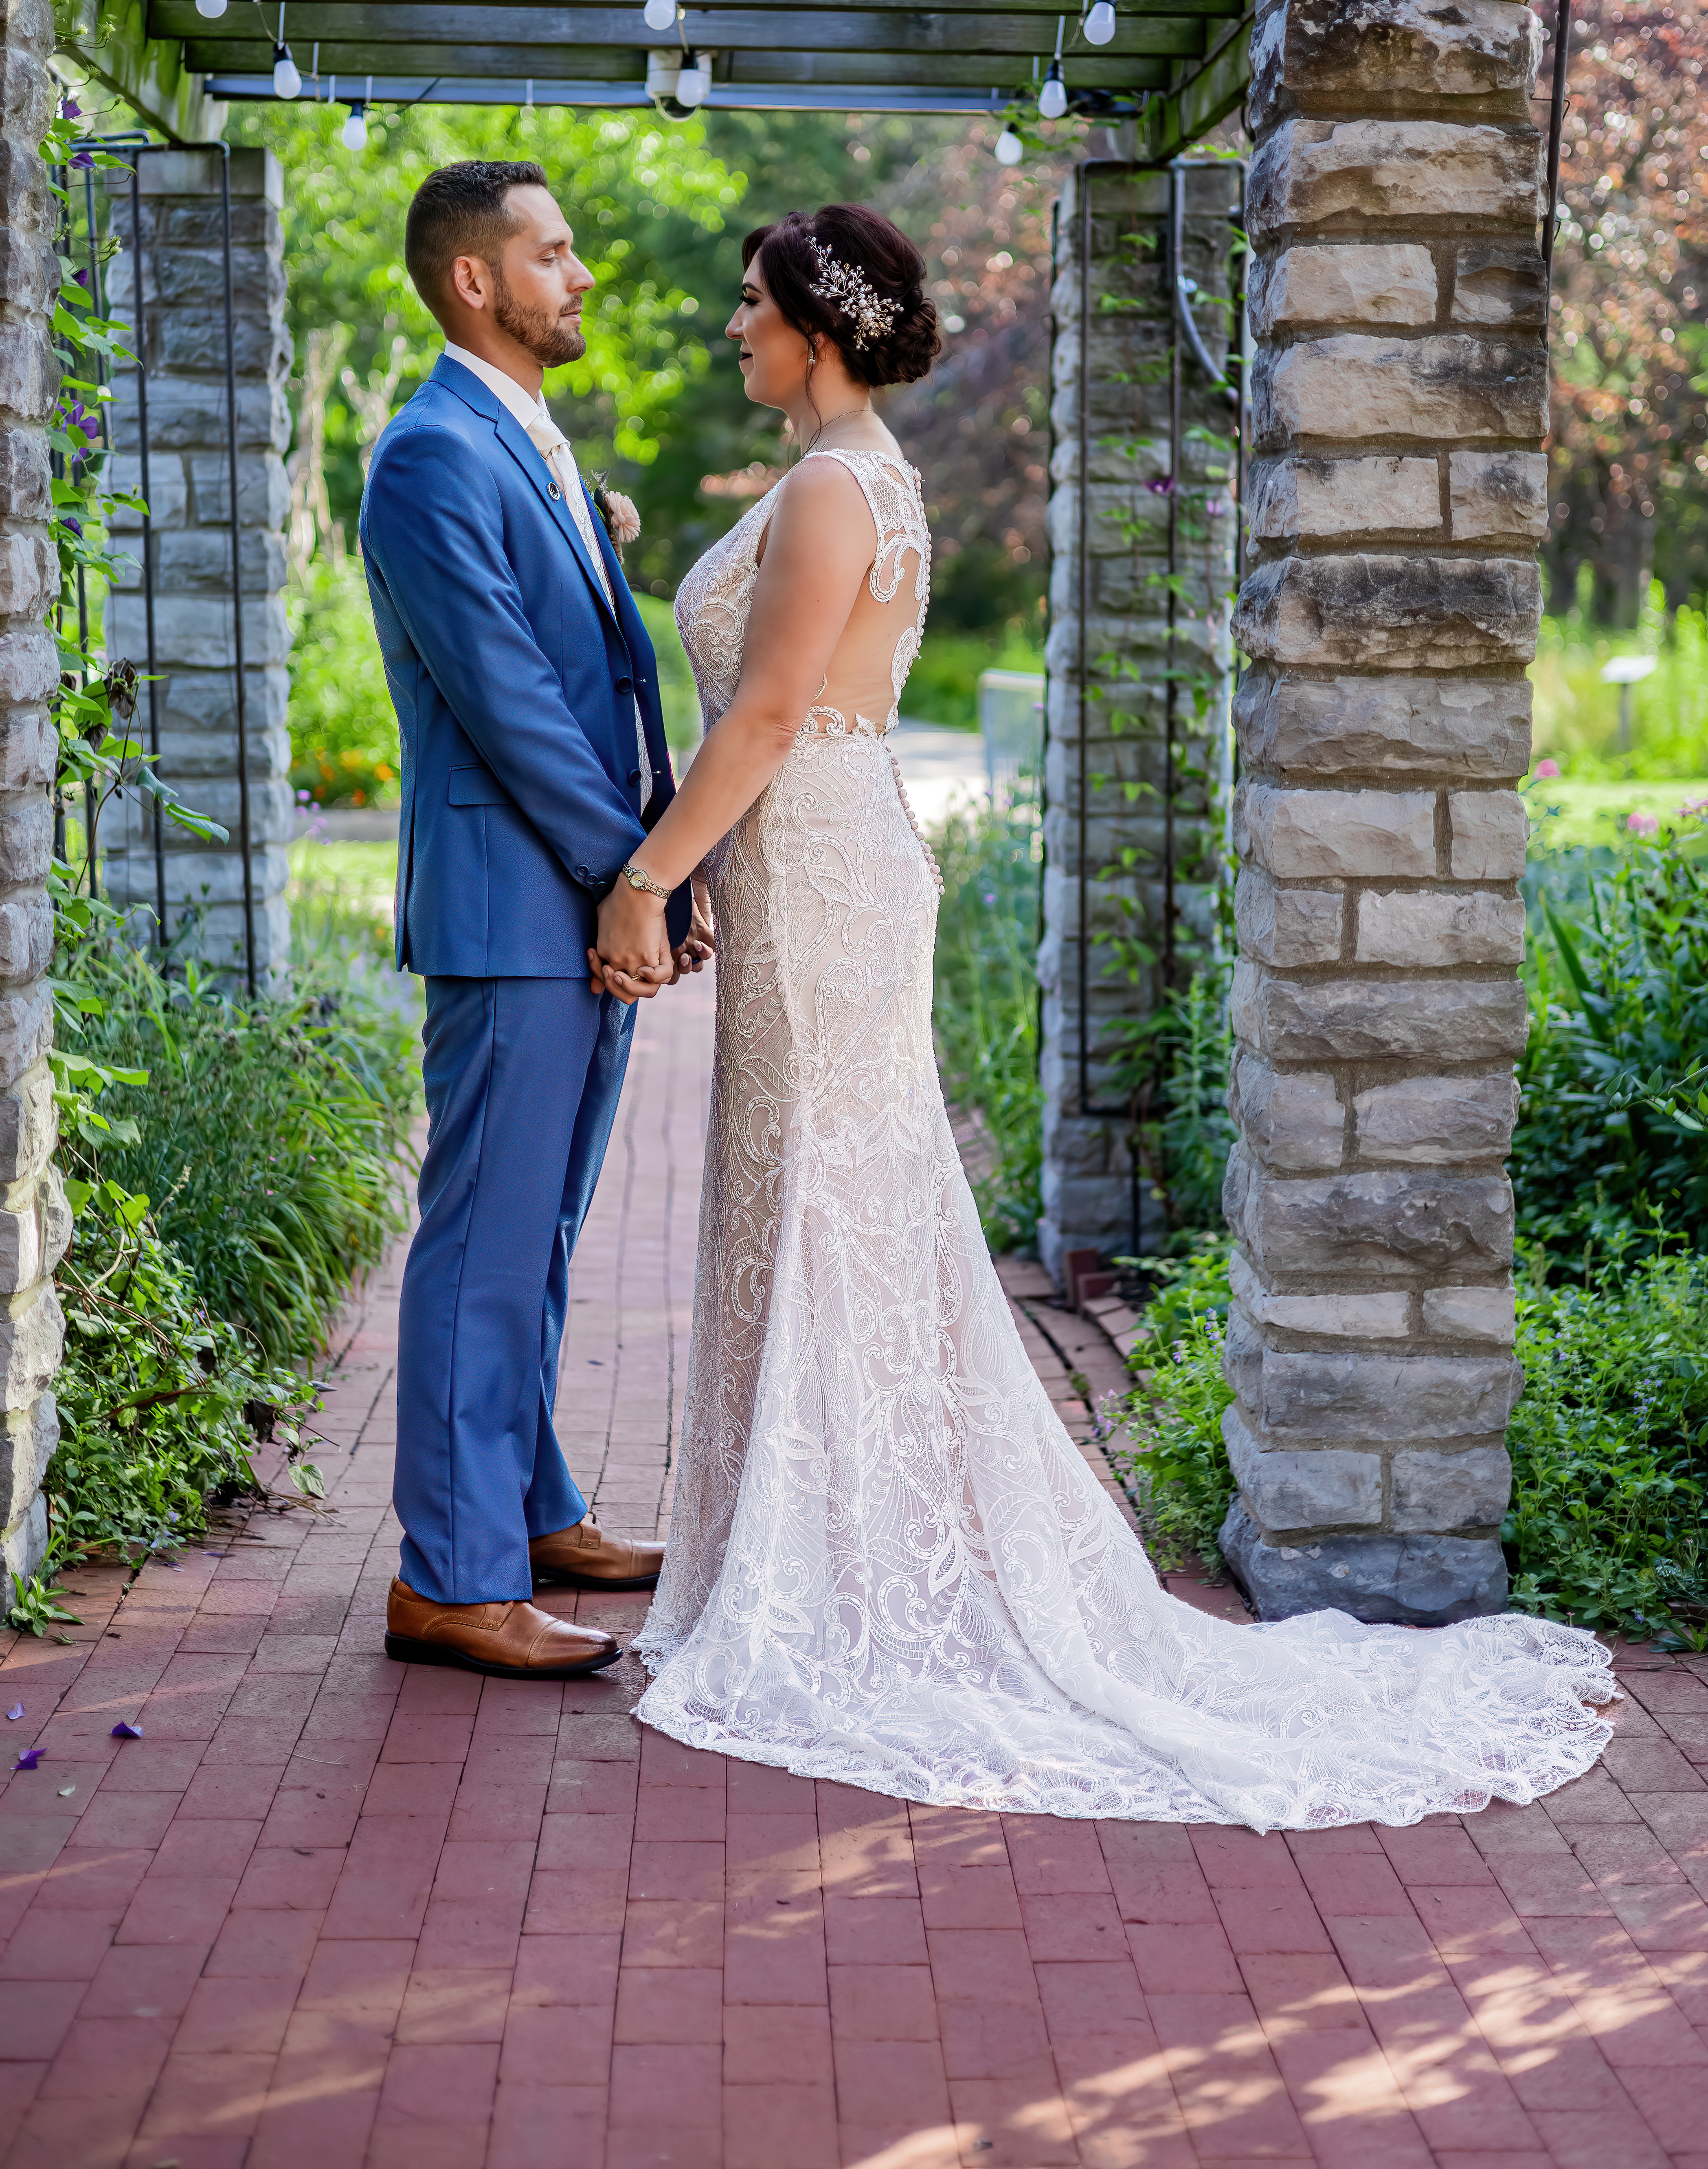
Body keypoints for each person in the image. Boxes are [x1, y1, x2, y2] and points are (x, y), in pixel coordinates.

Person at [591, 202, 1618, 1830]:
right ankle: (812, 1546)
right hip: (813, 862)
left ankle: (856, 1575)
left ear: (819, 325)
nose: (733, 329)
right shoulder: (851, 476)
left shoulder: (833, 486)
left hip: (827, 863)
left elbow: (773, 711)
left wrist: (650, 877)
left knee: (835, 1201)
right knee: (821, 1199)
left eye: (748, 306)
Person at [359, 158, 704, 1681]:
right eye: (555, 254)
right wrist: (640, 870)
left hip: (572, 898)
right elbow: (511, 712)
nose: (583, 278)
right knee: (482, 1246)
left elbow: (603, 680)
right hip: (514, 911)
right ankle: (451, 1577)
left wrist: (659, 868)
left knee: (542, 1236)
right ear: (474, 282)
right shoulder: (429, 456)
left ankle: (530, 1502)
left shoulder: (533, 444)